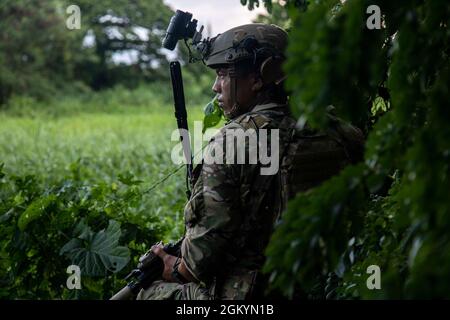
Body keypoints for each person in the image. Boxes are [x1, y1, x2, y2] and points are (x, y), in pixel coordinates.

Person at [136, 23, 363, 300]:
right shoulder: (341, 132)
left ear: (258, 78)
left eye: (223, 74)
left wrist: (173, 268)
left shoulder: (230, 142)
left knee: (149, 294)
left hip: (252, 294)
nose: (215, 86)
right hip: (324, 285)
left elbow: (199, 261)